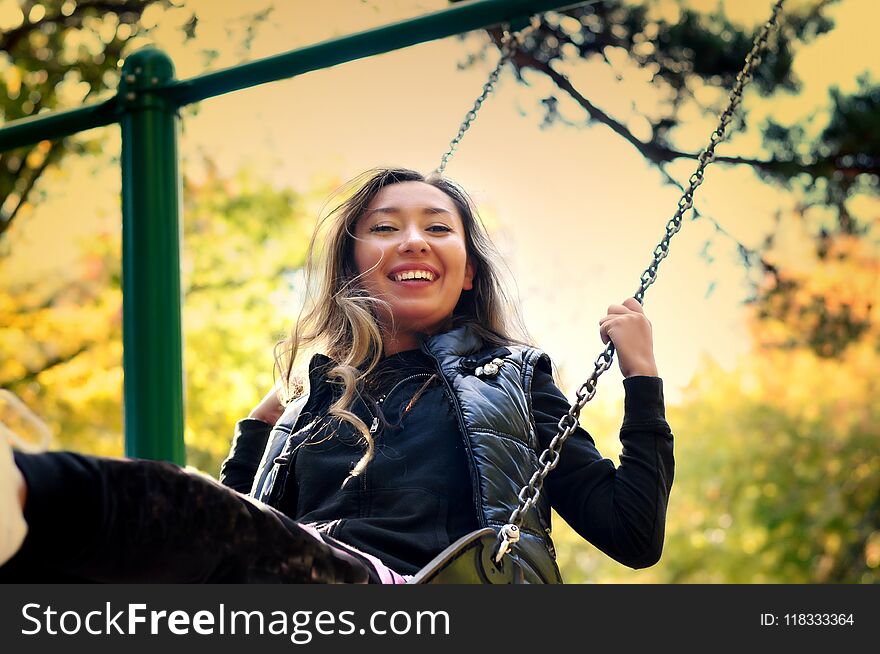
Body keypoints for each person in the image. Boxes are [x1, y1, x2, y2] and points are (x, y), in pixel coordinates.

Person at [0, 168, 674, 583]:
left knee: (175, 509)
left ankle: (20, 483)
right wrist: (262, 425)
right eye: (385, 227)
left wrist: (640, 381)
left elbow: (632, 536)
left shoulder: (514, 383)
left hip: (419, 596)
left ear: (469, 273)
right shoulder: (317, 400)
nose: (412, 238)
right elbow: (229, 531)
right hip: (299, 586)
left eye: (438, 227)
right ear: (353, 267)